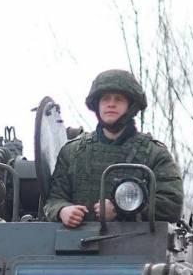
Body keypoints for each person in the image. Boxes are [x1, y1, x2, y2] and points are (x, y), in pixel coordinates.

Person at [41, 70, 183, 228]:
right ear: (97, 105)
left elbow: (171, 205)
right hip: (74, 245)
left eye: (119, 99)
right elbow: (53, 199)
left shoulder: (154, 154)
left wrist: (121, 209)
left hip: (135, 246)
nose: (111, 104)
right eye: (105, 99)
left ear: (131, 106)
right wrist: (62, 210)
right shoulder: (72, 152)